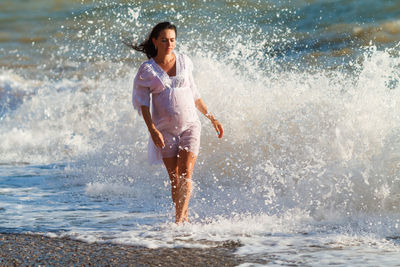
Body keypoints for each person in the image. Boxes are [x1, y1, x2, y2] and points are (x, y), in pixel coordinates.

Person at [127, 22, 224, 223]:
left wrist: (212, 118)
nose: (169, 44)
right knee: (174, 178)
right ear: (155, 41)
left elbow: (195, 95)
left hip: (190, 125)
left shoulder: (184, 61)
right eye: (164, 40)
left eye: (172, 40)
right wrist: (152, 130)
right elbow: (143, 104)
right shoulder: (147, 70)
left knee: (186, 171)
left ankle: (178, 222)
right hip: (164, 129)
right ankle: (184, 218)